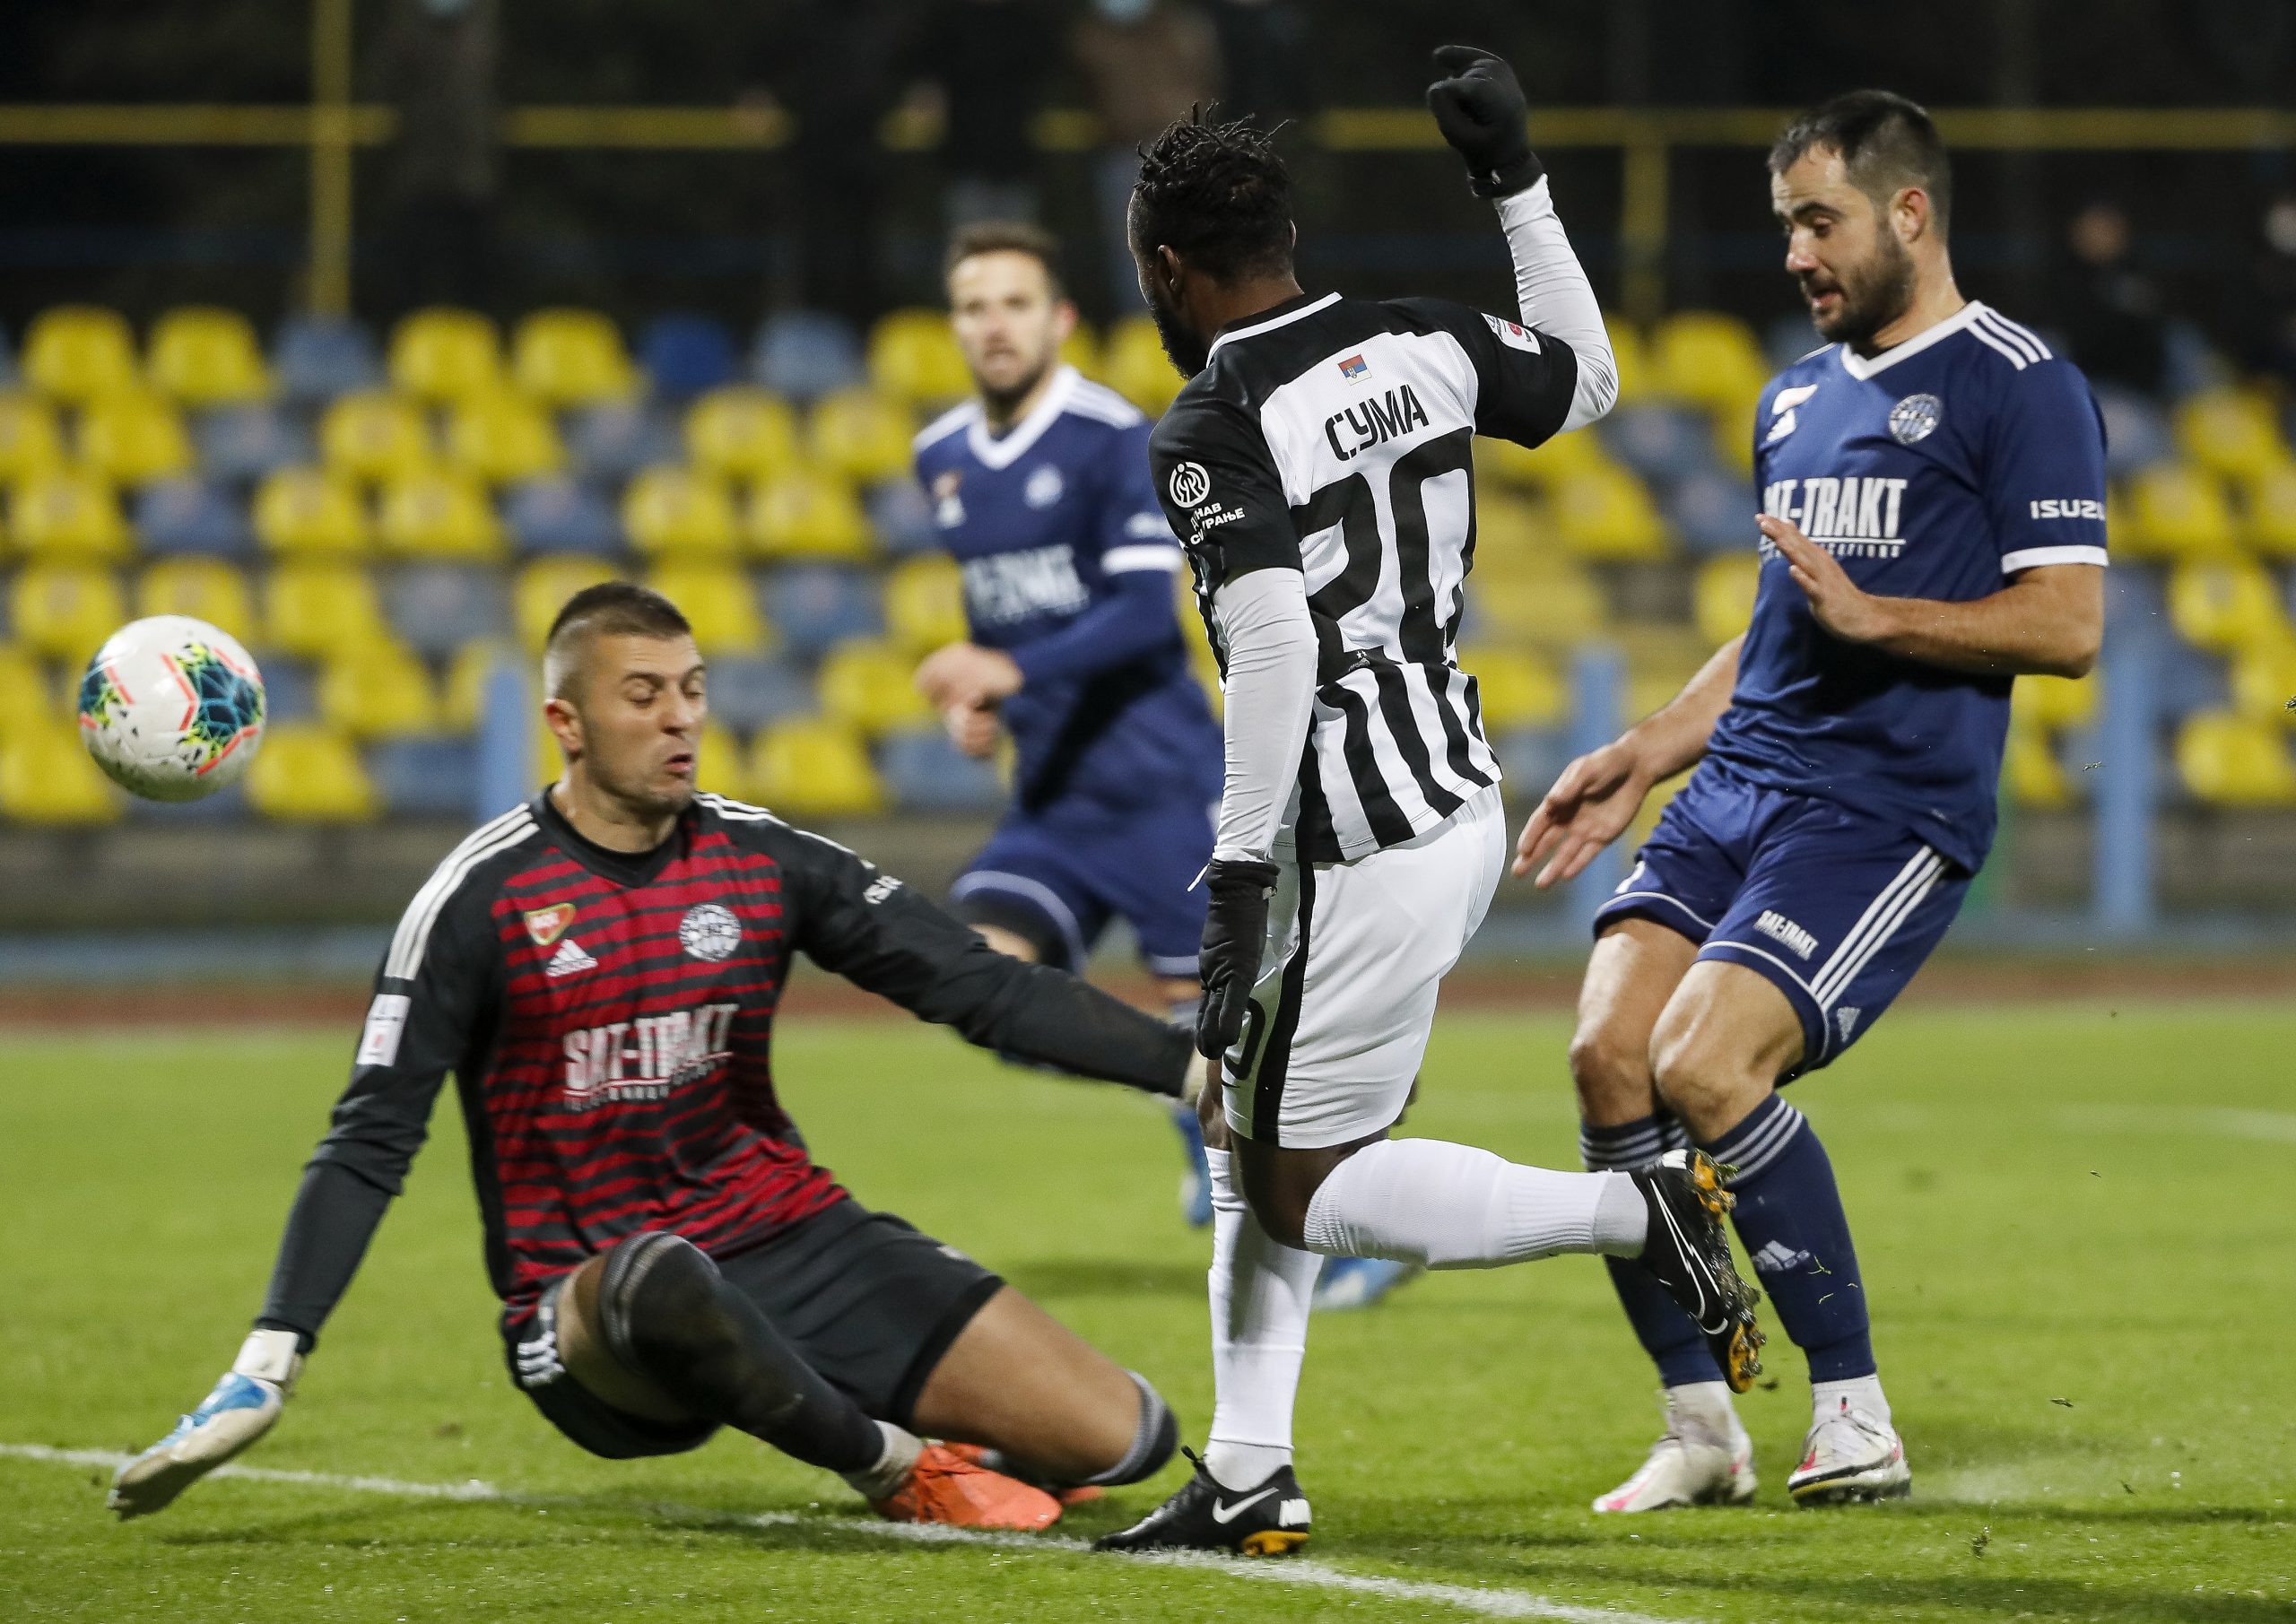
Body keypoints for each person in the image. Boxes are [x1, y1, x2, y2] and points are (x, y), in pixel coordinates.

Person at [109, 583, 1193, 1532]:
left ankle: (933, 1412)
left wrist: (1197, 1073)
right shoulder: (477, 899)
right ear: (565, 723)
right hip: (593, 1309)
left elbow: (983, 984)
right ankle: (894, 1463)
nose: (680, 720)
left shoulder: (765, 859)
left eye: (693, 689)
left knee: (1128, 1437)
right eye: (644, 695)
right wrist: (268, 1361)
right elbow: (369, 1141)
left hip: (784, 1231)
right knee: (664, 1274)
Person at [1092, 51, 1764, 1557]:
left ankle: (1636, 1214)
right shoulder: (1415, 334)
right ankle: (1251, 1471)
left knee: (1303, 1185)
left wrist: (1236, 878)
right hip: (1453, 794)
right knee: (1244, 1139)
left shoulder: (1211, 420)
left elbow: (1270, 648)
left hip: (1342, 837)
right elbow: (1588, 379)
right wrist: (1515, 181)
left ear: (1169, 268)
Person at [1523, 91, 2106, 1513]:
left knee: (1707, 1064)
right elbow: (1781, 621)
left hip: (1881, 808)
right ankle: (1700, 1422)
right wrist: (1650, 746)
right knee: (1609, 1053)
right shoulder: (1793, 395)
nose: (1796, 252)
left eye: (1819, 220)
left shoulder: (2016, 380)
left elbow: (2070, 624)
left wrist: (1886, 616)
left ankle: (1853, 1413)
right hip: (1735, 788)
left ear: (1910, 213)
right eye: (1787, 223)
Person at [913, 221, 1415, 1307]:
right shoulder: (943, 456)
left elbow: (1145, 616)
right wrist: (992, 701)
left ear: (1059, 322)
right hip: (1051, 801)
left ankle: (1359, 1227)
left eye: (1012, 303)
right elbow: (1012, 613)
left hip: (1157, 788)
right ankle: (1182, 1112)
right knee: (979, 984)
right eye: (972, 306)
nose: (991, 325)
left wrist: (1004, 663)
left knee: (1241, 1047)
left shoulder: (1111, 437)